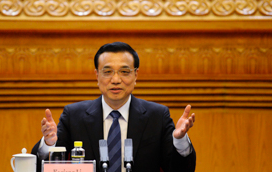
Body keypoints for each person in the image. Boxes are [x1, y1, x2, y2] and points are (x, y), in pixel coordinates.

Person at [31, 42, 196, 172]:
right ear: (97, 75)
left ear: (136, 75)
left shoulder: (157, 116)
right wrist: (49, 144)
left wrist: (180, 141)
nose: (116, 80)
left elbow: (180, 170)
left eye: (124, 72)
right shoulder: (74, 116)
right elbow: (40, 167)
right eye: (107, 72)